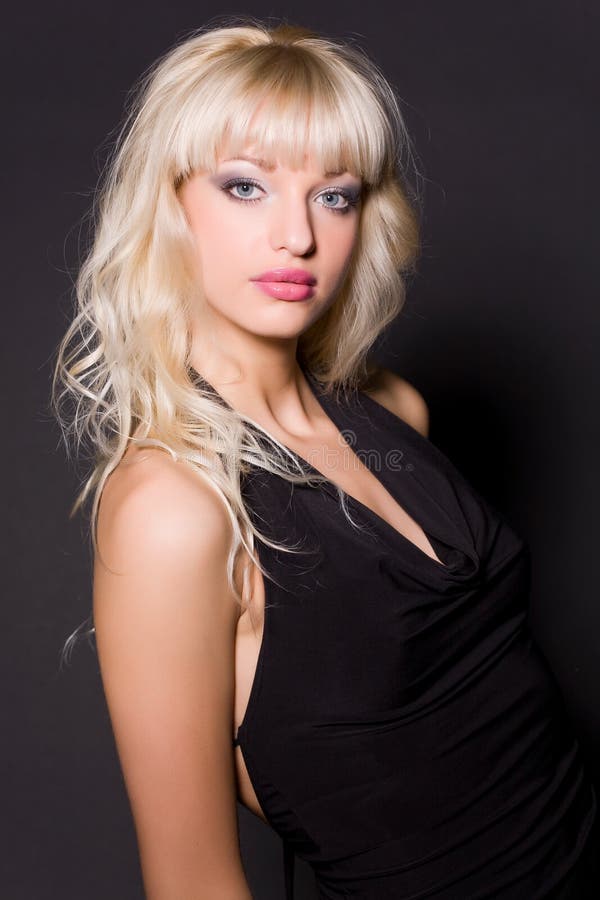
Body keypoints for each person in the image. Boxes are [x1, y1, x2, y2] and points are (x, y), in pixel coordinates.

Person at [52, 16, 598, 900]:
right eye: (245, 187)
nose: (297, 237)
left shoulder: (393, 409)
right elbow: (192, 879)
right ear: (170, 205)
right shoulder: (173, 507)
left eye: (334, 196)